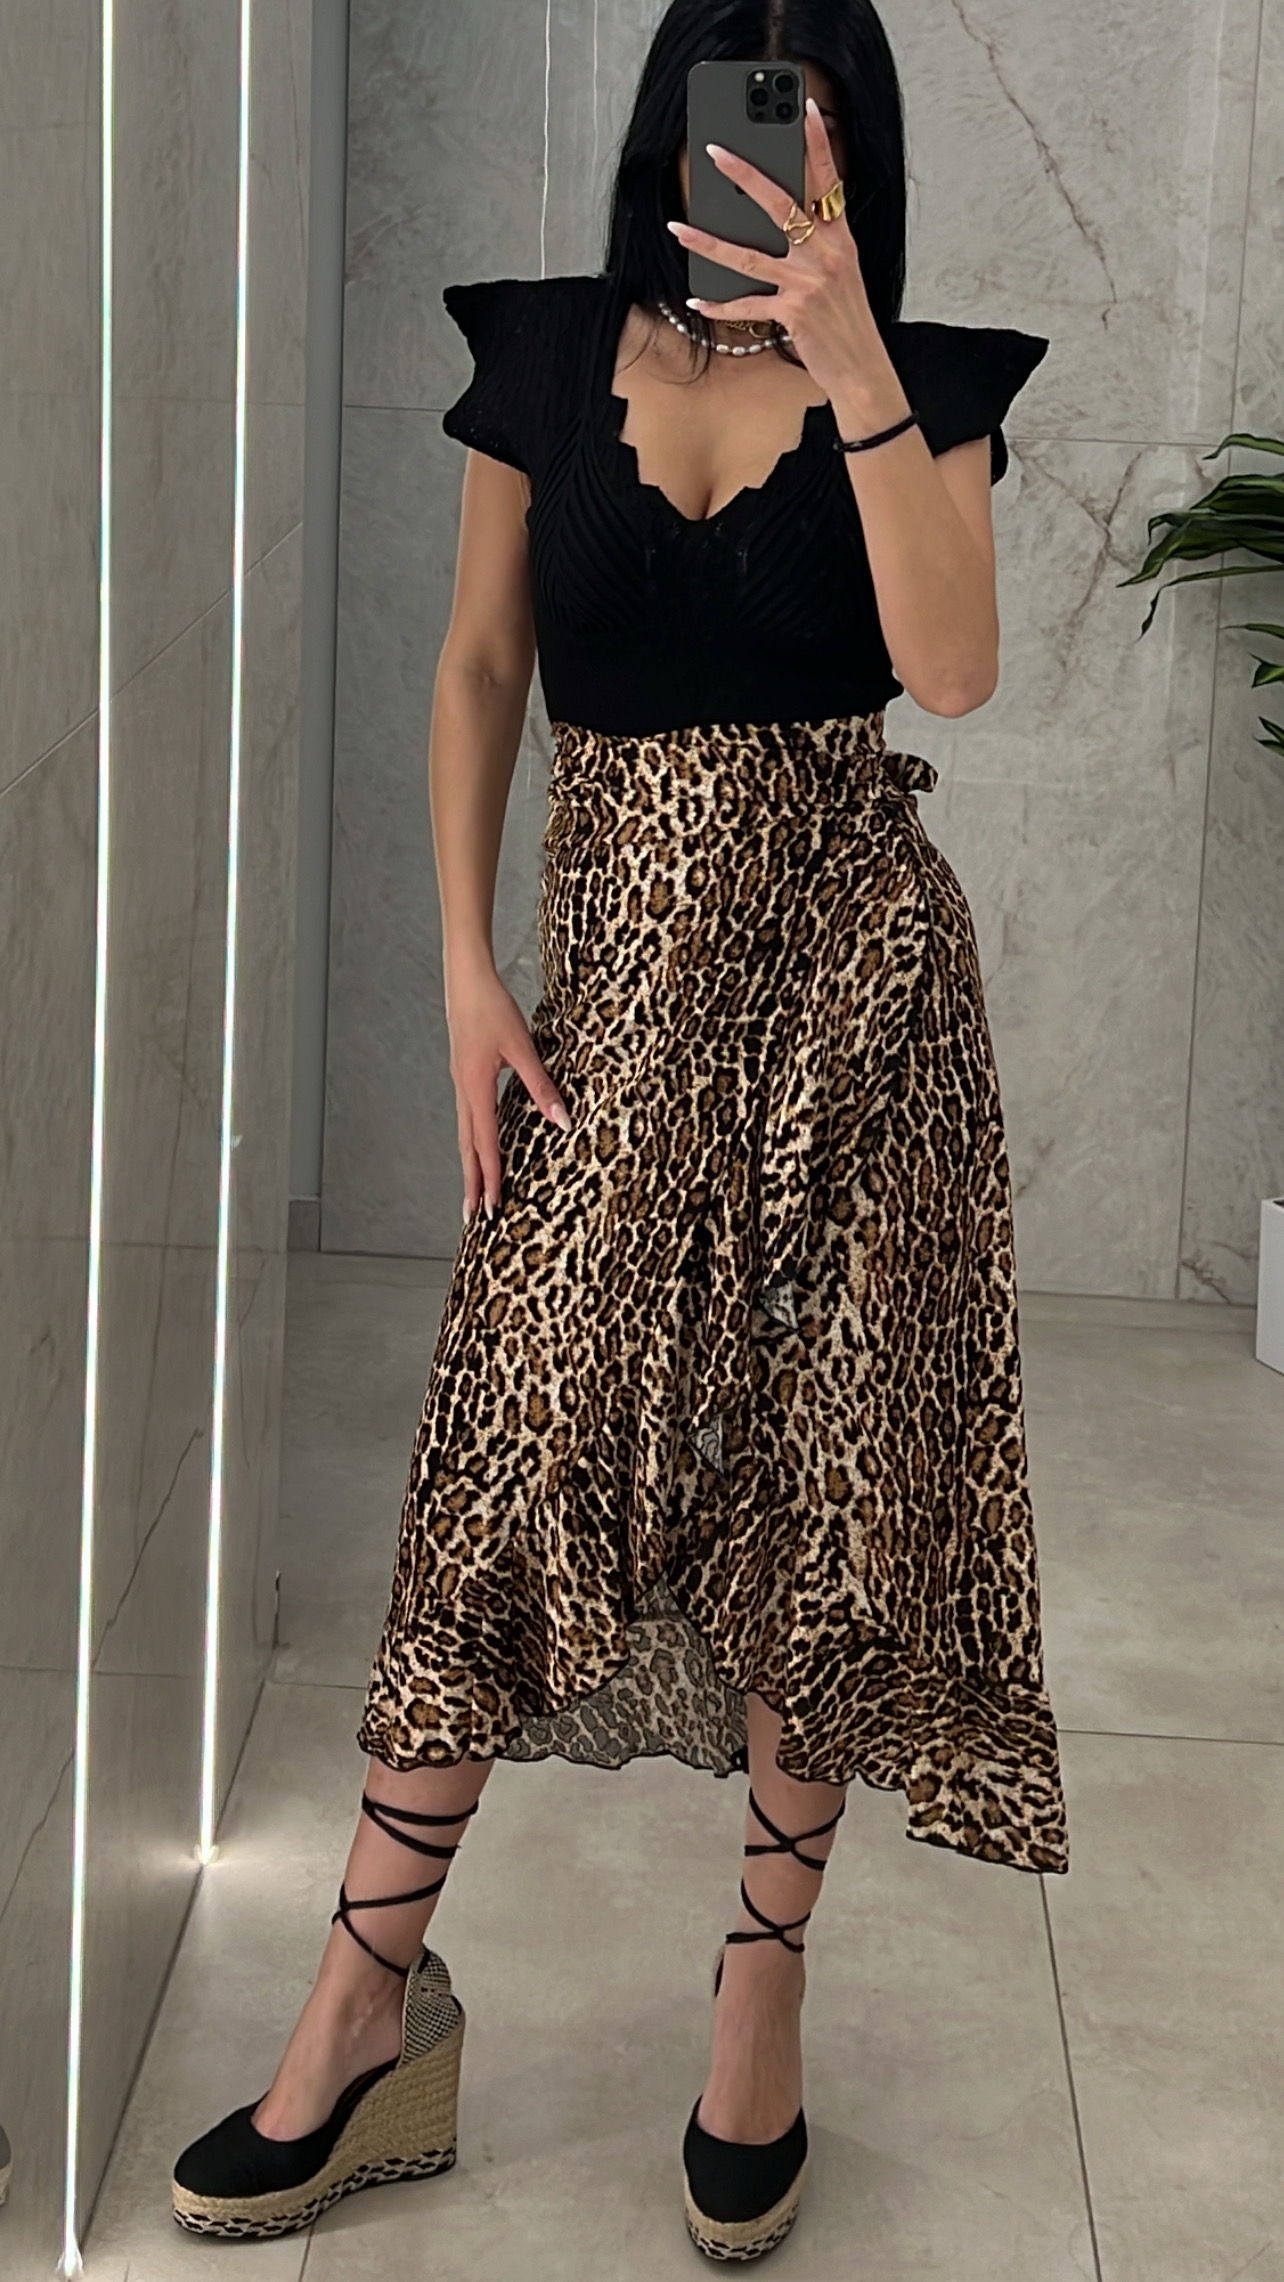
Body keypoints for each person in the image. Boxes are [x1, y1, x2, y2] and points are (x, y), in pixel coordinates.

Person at [171, 0, 1068, 2260]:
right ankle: (367, 1994)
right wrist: (465, 971)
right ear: (667, 131)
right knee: (510, 1455)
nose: (770, 155)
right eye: (738, 117)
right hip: (613, 1015)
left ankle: (761, 1991)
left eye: (814, 123)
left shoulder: (928, 386)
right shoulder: (557, 355)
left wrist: (853, 356)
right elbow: (485, 662)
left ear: (857, 153)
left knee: (822, 1493)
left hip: (857, 1013)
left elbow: (954, 672)